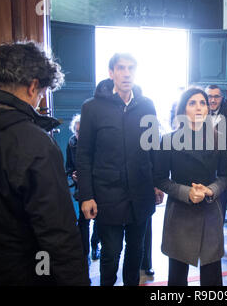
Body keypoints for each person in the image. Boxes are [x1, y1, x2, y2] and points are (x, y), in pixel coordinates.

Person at [0, 41, 89, 285]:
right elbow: (58, 234)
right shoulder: (35, 143)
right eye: (43, 93)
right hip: (19, 272)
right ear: (33, 86)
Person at [76, 53, 163, 286]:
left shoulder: (147, 105)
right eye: (121, 68)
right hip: (107, 195)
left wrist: (158, 182)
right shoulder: (92, 107)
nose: (127, 73)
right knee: (111, 253)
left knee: (136, 252)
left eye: (131, 68)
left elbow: (154, 147)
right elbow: (83, 155)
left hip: (141, 193)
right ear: (111, 72)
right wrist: (86, 195)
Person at [154, 87, 227, 286]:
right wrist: (185, 192)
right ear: (183, 110)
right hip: (180, 213)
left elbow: (226, 177)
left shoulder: (220, 139)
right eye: (192, 103)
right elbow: (160, 179)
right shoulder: (168, 141)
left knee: (212, 276)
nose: (198, 108)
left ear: (208, 109)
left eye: (202, 103)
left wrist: (210, 190)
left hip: (210, 211)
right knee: (178, 276)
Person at [65, 114, 100, 263]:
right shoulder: (71, 143)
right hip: (82, 187)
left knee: (99, 219)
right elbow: (69, 167)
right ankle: (84, 253)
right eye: (77, 131)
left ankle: (94, 245)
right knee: (83, 221)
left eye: (82, 131)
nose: (80, 135)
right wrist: (73, 175)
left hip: (97, 186)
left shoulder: (95, 143)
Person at [205, 84, 227, 222]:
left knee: (217, 215)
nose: (212, 100)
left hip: (221, 173)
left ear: (222, 98)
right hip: (200, 172)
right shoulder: (197, 113)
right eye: (209, 96)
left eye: (216, 96)